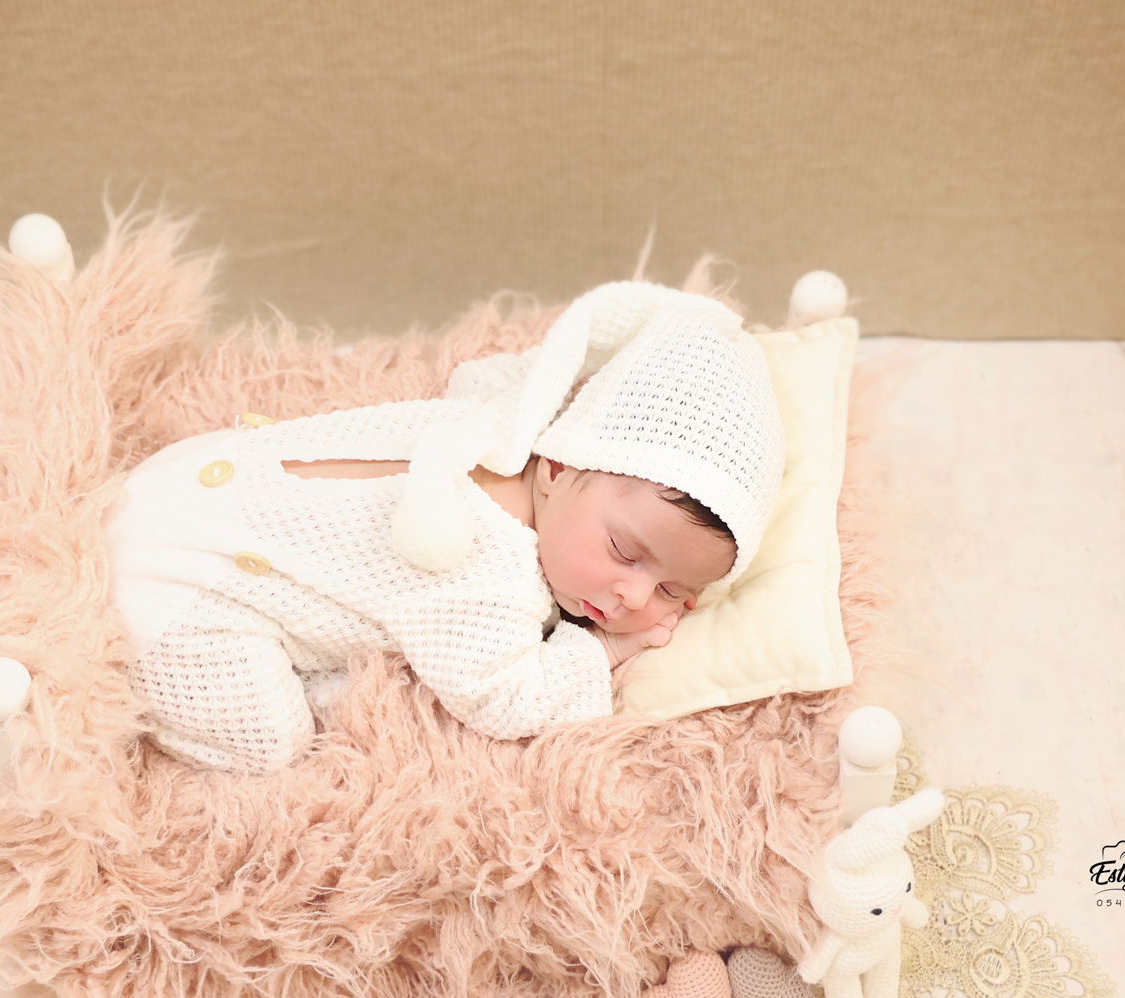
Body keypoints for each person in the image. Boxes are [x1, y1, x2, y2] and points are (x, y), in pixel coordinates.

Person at [103, 279, 784, 774]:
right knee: (274, 743)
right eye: (625, 551)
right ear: (556, 467)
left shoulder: (496, 425)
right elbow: (506, 697)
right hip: (178, 592)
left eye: (674, 592)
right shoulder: (482, 566)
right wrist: (604, 650)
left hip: (192, 475)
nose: (635, 596)